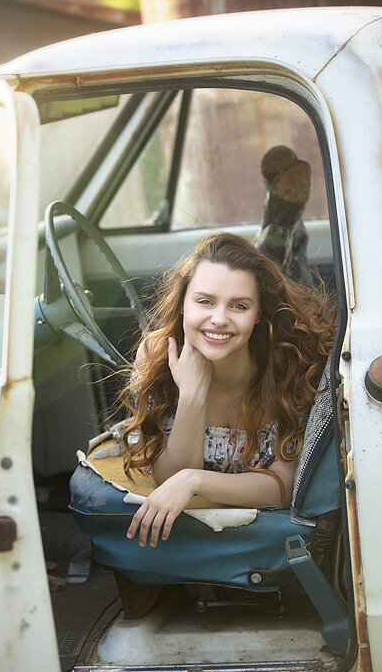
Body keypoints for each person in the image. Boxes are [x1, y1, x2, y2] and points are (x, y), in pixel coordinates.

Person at [119, 232, 334, 549]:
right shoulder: (157, 356)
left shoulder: (290, 365)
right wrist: (192, 396)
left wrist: (195, 480)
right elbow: (168, 476)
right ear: (182, 305)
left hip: (261, 542)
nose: (219, 319)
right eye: (204, 301)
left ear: (258, 313)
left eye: (239, 306)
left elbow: (284, 487)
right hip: (182, 539)